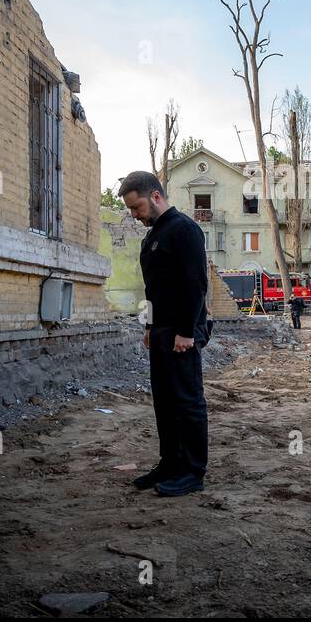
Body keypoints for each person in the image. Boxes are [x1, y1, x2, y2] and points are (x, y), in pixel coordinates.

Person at [121, 171, 209, 497]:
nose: (134, 215)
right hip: (160, 331)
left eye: (137, 207)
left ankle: (192, 472)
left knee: (187, 402)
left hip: (181, 333)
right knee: (165, 402)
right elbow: (153, 288)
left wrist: (187, 332)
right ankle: (170, 463)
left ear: (155, 195)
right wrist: (148, 325)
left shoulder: (184, 230)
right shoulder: (154, 235)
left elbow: (195, 284)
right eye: (130, 210)